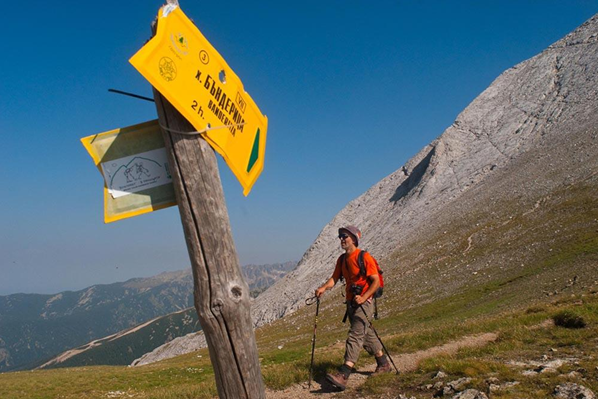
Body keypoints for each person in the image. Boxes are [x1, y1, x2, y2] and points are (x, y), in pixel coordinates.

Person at [314, 225, 391, 391]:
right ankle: (383, 363)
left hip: (364, 303)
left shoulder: (364, 257)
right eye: (340, 236)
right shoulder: (342, 260)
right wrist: (323, 288)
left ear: (354, 239)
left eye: (344, 236)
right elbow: (334, 278)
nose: (341, 239)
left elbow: (375, 281)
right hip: (351, 303)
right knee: (366, 333)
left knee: (355, 335)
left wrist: (363, 297)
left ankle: (344, 374)